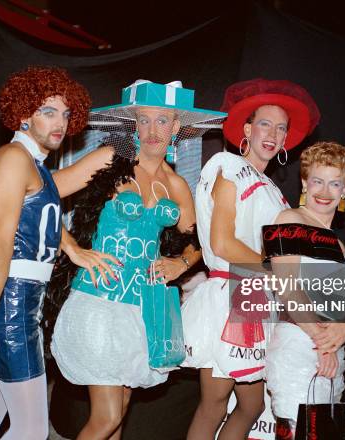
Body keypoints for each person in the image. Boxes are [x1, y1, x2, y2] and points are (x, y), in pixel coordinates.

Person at [50, 79, 225, 440]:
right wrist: (72, 248)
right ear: (134, 125)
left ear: (176, 128)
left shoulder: (176, 186)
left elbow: (199, 243)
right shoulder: (110, 159)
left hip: (142, 309)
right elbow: (39, 193)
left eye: (162, 121)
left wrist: (181, 263)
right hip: (99, 301)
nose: (152, 130)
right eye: (143, 120)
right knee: (108, 415)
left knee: (122, 410)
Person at [0, 66, 91, 439]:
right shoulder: (14, 160)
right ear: (22, 115)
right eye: (48, 111)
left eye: (65, 113)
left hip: (15, 301)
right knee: (31, 431)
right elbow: (1, 240)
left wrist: (73, 248)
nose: (59, 122)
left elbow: (38, 213)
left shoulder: (35, 168)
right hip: (10, 302)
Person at [182, 79, 320, 439]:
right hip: (233, 295)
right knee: (216, 403)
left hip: (256, 297)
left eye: (281, 127)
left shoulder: (274, 189)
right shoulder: (226, 165)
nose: (273, 134)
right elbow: (223, 242)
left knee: (250, 405)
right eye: (264, 124)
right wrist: (274, 267)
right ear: (246, 129)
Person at [263, 141, 345, 439]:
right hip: (298, 344)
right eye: (317, 181)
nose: (324, 191)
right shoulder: (288, 220)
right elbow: (288, 290)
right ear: (305, 182)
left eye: (334, 183)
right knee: (295, 431)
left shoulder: (339, 243)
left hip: (331, 352)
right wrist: (323, 344)